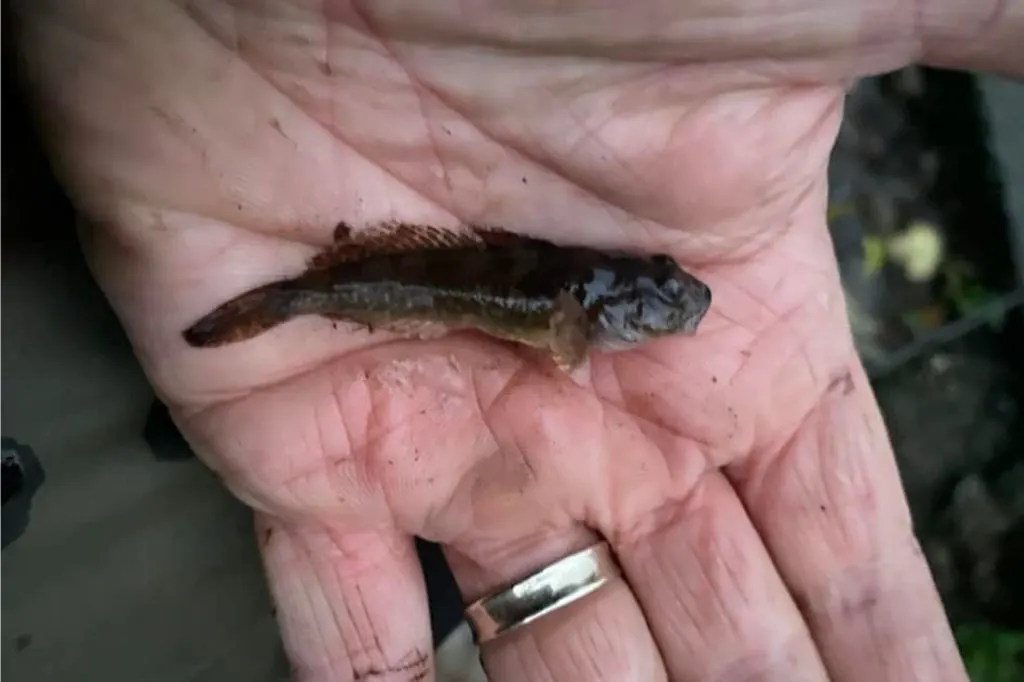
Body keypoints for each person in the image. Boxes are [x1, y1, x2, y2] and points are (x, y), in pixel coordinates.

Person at [13, 1, 1022, 680]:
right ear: (608, 309)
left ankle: (285, 306)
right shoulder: (567, 315)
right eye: (660, 302)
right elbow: (542, 326)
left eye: (665, 298)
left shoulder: (573, 300)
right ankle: (283, 303)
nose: (674, 305)